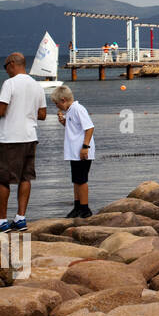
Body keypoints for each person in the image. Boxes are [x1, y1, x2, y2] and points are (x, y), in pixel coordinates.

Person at [0, 52, 47, 233]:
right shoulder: (37, 86)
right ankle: (20, 218)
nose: (5, 71)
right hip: (30, 137)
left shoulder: (10, 83)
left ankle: (1, 222)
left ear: (12, 64)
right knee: (25, 177)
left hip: (11, 138)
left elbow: (1, 111)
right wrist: (25, 111)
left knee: (2, 180)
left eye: (5, 67)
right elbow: (42, 115)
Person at [51, 86, 95, 218]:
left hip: (82, 150)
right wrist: (63, 122)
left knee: (81, 180)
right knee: (76, 180)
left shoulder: (77, 109)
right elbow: (74, 128)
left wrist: (85, 147)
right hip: (73, 151)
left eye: (56, 103)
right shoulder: (70, 110)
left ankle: (85, 208)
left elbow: (89, 127)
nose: (56, 106)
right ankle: (77, 206)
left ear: (63, 100)